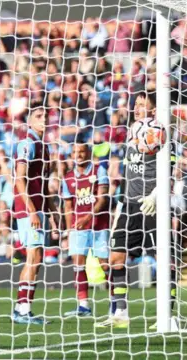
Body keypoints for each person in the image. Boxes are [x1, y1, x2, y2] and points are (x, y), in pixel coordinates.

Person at [95, 92, 177, 329]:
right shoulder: (132, 135)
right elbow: (128, 175)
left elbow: (169, 173)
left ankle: (168, 315)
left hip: (153, 206)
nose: (137, 108)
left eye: (143, 105)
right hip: (129, 206)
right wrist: (120, 204)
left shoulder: (161, 137)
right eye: (136, 104)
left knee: (164, 260)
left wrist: (155, 195)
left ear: (153, 110)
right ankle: (120, 312)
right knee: (116, 257)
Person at [12, 107, 59, 325]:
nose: (44, 119)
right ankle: (23, 310)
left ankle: (20, 308)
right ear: (29, 122)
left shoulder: (44, 147)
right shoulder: (27, 143)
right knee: (35, 257)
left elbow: (44, 186)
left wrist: (52, 213)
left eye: (45, 116)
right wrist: (32, 210)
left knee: (35, 258)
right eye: (38, 116)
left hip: (38, 208)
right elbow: (19, 179)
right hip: (28, 208)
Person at [61, 143, 110, 317]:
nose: (78, 155)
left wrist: (87, 217)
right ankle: (83, 306)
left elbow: (103, 199)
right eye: (74, 152)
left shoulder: (99, 170)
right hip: (78, 228)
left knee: (106, 265)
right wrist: (69, 230)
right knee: (78, 264)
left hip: (99, 226)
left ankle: (116, 304)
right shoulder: (67, 178)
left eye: (81, 151)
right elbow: (68, 206)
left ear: (88, 153)